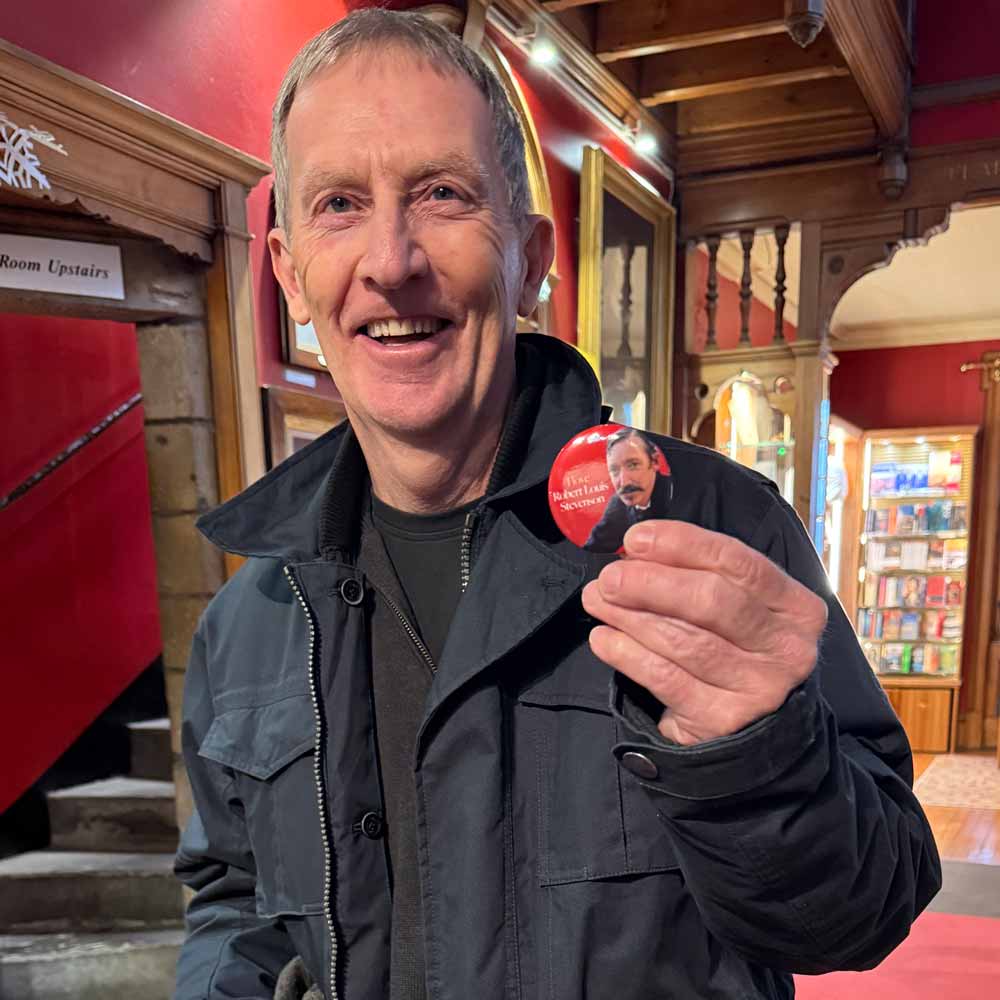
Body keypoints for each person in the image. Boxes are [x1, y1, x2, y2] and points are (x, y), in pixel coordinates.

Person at [172, 10, 941, 1000]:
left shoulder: (713, 526)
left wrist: (762, 761)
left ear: (528, 258)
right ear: (288, 273)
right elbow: (232, 900)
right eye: (339, 204)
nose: (390, 258)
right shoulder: (250, 614)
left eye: (442, 194)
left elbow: (867, 912)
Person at [584, 427, 673, 552]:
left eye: (633, 465)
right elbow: (592, 548)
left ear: (655, 462)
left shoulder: (680, 496)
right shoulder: (618, 503)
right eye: (614, 470)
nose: (624, 482)